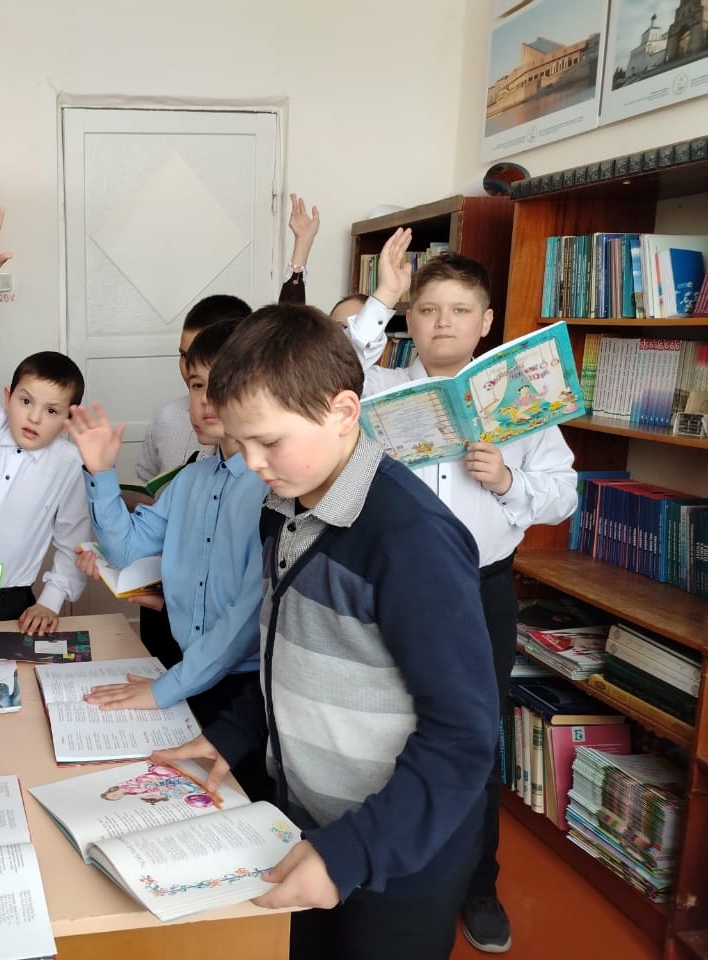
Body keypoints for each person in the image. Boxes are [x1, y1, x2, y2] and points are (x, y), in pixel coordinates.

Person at [152, 304, 498, 960]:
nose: (252, 463)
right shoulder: (283, 505)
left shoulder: (411, 539)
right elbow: (283, 652)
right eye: (241, 443)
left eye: (269, 442)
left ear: (343, 411)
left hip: (397, 852)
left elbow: (463, 737)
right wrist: (230, 737)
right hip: (308, 825)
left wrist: (355, 851)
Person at [344, 238, 577, 954]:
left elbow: (564, 495)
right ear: (409, 321)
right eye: (427, 310)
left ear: (486, 321)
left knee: (471, 740)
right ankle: (375, 862)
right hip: (388, 587)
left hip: (480, 591)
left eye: (460, 310)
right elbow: (323, 370)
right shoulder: (377, 389)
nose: (442, 322)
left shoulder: (523, 404)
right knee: (381, 727)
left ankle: (478, 884)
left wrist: (508, 481)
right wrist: (382, 298)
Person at [66, 318, 270, 798]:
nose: (205, 401)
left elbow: (245, 620)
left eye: (220, 384)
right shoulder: (190, 480)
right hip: (187, 673)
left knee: (238, 804)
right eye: (196, 385)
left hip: (245, 692)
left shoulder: (271, 487)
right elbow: (126, 549)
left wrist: (163, 689)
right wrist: (101, 472)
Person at [0, 198, 91, 635]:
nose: (34, 417)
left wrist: (50, 600)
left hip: (9, 599)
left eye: (51, 410)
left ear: (68, 418)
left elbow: (74, 538)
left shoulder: (68, 463)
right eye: (25, 401)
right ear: (6, 397)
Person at [135, 193, 319, 482]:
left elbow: (287, 341)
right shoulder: (169, 418)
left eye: (213, 363)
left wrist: (300, 252)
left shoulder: (270, 465)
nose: (189, 366)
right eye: (184, 356)